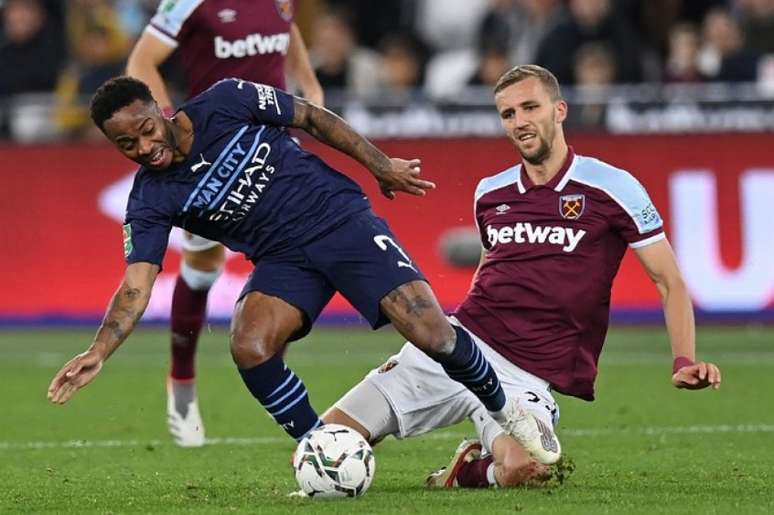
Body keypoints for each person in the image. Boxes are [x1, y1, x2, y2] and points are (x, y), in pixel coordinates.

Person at [46, 76, 561, 467]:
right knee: (249, 344)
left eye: (145, 130)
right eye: (127, 145)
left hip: (339, 220)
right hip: (283, 259)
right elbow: (136, 285)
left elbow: (311, 117)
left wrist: (379, 164)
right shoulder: (151, 198)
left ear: (160, 110)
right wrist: (98, 351)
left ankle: (505, 410)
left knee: (433, 333)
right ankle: (327, 454)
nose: (144, 147)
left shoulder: (225, 101)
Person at [321, 64, 722, 488]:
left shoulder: (613, 187)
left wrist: (684, 360)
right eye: (508, 114)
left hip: (523, 377)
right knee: (322, 440)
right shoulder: (490, 193)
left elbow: (669, 281)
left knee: (527, 469)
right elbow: (489, 270)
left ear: (560, 110)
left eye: (530, 107)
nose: (520, 122)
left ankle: (465, 472)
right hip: (458, 347)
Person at [124, 0, 324, 447]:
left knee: (291, 256)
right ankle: (181, 382)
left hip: (275, 148)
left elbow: (286, 33)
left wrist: (308, 84)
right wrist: (171, 126)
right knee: (202, 267)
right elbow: (141, 61)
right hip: (212, 157)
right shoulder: (188, 3)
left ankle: (270, 380)